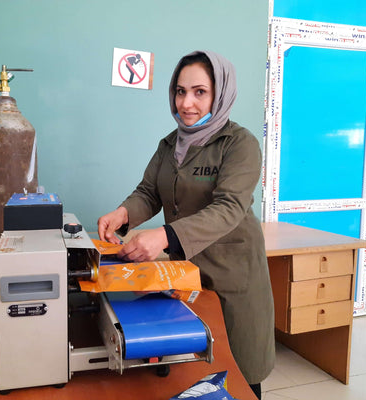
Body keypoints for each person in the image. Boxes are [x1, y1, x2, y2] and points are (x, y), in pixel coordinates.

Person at [97, 50, 275, 399]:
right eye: (180, 91)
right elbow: (149, 192)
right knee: (194, 365)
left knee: (239, 369)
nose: (186, 103)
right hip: (187, 271)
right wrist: (123, 214)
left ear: (219, 93)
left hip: (234, 275)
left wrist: (165, 236)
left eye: (199, 92)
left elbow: (230, 206)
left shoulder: (239, 144)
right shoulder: (169, 144)